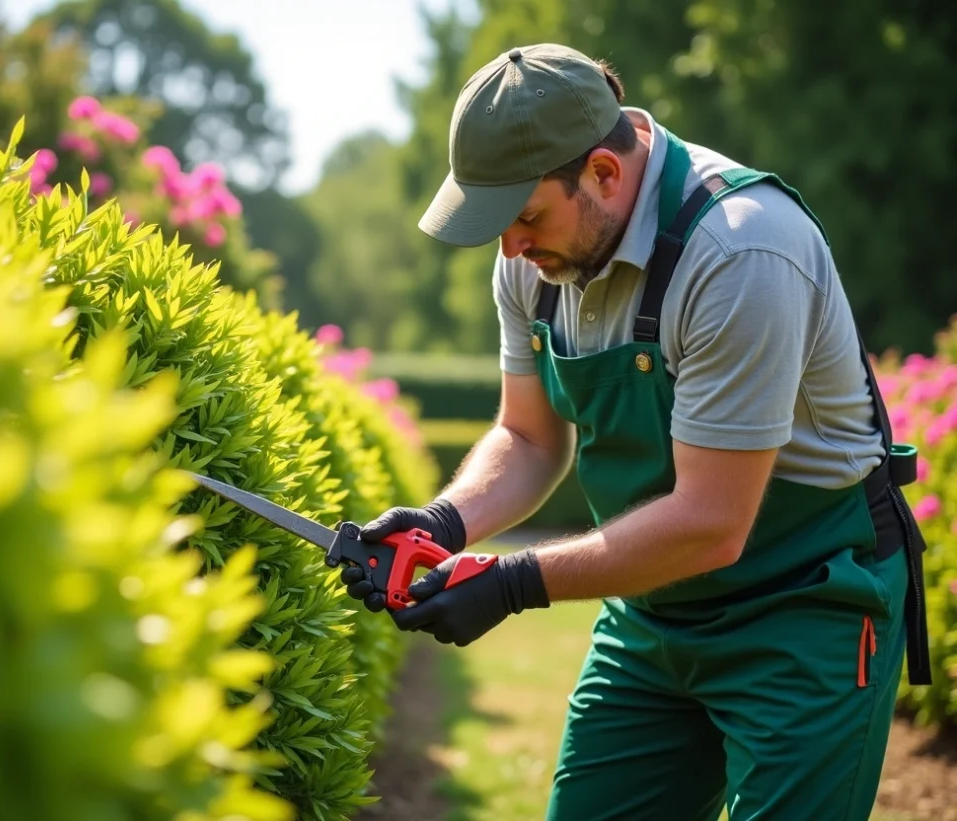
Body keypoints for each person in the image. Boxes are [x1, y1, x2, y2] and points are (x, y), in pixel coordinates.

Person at [341, 43, 932, 821]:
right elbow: (528, 436)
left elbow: (711, 523)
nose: (512, 248)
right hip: (653, 611)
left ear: (604, 174)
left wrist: (516, 582)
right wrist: (445, 521)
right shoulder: (533, 259)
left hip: (807, 604)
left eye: (523, 217)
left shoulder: (740, 250)